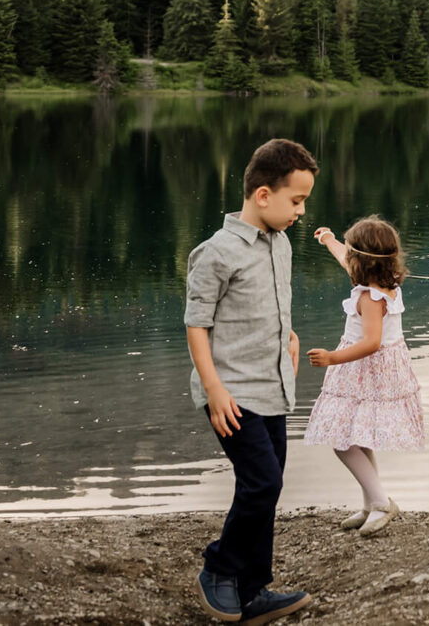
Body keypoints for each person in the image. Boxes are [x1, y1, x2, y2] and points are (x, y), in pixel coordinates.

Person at [185, 138, 317, 622]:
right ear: (264, 195)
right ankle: (219, 569)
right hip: (232, 393)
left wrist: (290, 338)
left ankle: (252, 590)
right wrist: (214, 389)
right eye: (296, 201)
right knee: (261, 482)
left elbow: (267, 307)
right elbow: (196, 323)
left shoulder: (279, 244)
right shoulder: (217, 252)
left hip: (272, 386)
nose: (300, 212)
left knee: (270, 483)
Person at [305, 216, 426, 536]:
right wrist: (328, 239)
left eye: (350, 251)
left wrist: (332, 358)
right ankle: (372, 503)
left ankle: (382, 503)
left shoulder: (370, 299)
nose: (347, 257)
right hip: (378, 368)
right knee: (358, 436)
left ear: (363, 262)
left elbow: (371, 343)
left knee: (342, 441)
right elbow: (346, 260)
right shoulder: (385, 283)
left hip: (367, 369)